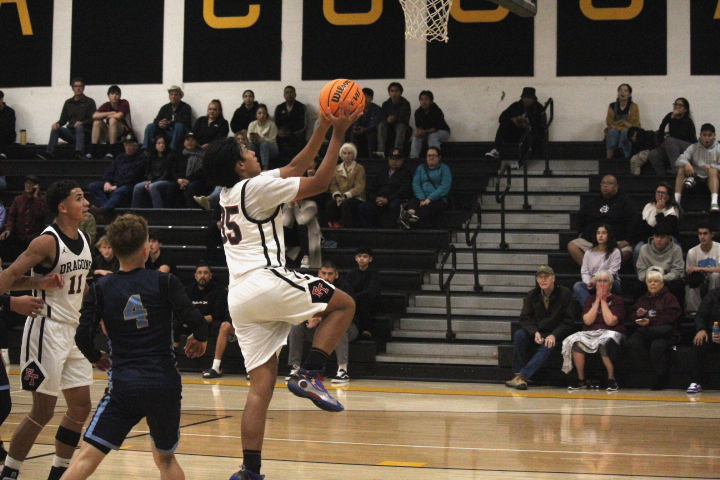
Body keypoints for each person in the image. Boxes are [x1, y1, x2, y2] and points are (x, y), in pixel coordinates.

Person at [201, 103, 359, 480]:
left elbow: (294, 167)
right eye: (247, 151)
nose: (254, 152)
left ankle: (249, 470)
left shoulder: (229, 193)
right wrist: (338, 134)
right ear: (240, 165)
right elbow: (318, 183)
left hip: (239, 297)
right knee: (344, 305)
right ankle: (311, 372)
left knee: (260, 389)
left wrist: (321, 125)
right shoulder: (255, 188)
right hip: (265, 280)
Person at [67, 213, 207, 480]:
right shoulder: (164, 281)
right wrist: (198, 339)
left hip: (125, 385)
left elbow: (82, 336)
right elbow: (197, 321)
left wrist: (96, 357)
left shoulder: (100, 288)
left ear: (114, 250)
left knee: (86, 456)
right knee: (165, 460)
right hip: (163, 382)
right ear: (145, 249)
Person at [0, 180, 93, 480]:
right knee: (43, 411)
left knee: (80, 408)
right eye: (79, 199)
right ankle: (10, 473)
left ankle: (59, 474)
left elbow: (79, 285)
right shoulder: (46, 242)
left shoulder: (84, 236)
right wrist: (37, 283)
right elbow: (8, 278)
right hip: (46, 330)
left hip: (73, 330)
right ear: (62, 207)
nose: (86, 203)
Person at [286, 261, 358, 384]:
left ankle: (342, 370)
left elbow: (347, 315)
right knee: (296, 325)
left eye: (330, 274)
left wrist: (320, 317)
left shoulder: (345, 288)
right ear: (319, 274)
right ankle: (295, 367)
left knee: (339, 328)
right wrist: (310, 317)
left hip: (348, 327)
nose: (326, 277)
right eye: (323, 273)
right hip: (318, 328)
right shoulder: (313, 287)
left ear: (336, 275)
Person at [505, 266, 575, 390]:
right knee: (519, 334)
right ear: (537, 280)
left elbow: (568, 321)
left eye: (546, 277)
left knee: (549, 344)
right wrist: (534, 332)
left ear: (553, 278)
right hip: (537, 331)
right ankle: (517, 373)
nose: (543, 280)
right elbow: (525, 318)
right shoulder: (532, 294)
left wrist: (554, 334)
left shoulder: (565, 293)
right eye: (540, 277)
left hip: (554, 333)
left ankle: (522, 377)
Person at [562, 270, 626, 392]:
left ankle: (612, 379)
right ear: (595, 284)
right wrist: (597, 301)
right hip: (592, 331)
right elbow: (587, 321)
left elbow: (610, 322)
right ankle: (581, 379)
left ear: (611, 285)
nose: (602, 284)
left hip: (611, 332)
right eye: (599, 281)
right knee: (575, 341)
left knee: (604, 342)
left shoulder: (617, 300)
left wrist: (603, 301)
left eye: (605, 281)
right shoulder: (589, 300)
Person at [627, 267, 681, 390]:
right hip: (646, 331)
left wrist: (651, 321)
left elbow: (672, 316)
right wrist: (638, 316)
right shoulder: (642, 299)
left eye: (656, 281)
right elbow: (631, 318)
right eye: (650, 281)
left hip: (664, 332)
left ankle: (661, 376)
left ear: (662, 283)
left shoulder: (669, 298)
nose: (652, 284)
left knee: (657, 346)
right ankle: (646, 374)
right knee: (631, 343)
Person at [567, 175, 636, 266]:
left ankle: (606, 275)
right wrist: (581, 233)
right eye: (603, 183)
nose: (605, 186)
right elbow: (580, 217)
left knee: (626, 252)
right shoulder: (592, 202)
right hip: (592, 241)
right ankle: (591, 271)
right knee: (572, 246)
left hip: (616, 241)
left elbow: (633, 222)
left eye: (609, 183)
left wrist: (628, 240)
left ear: (616, 186)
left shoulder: (626, 202)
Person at [177, 263, 229, 380]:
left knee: (219, 326)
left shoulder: (218, 290)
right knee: (175, 324)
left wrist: (198, 320)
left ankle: (217, 365)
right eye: (199, 273)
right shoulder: (188, 290)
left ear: (210, 275)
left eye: (205, 273)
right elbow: (181, 309)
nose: (202, 276)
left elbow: (218, 314)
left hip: (209, 324)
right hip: (192, 323)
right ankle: (173, 361)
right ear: (195, 275)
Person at [87, 134, 147, 221]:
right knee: (92, 186)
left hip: (130, 184)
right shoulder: (120, 157)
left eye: (130, 145)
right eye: (126, 145)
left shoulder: (141, 159)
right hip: (114, 183)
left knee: (119, 191)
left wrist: (117, 185)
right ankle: (106, 208)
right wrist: (107, 182)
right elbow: (109, 171)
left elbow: (133, 176)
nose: (128, 147)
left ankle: (105, 209)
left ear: (136, 146)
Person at [38, 78, 96, 160]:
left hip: (84, 134)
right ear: (73, 88)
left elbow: (93, 119)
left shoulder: (89, 102)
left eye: (80, 86)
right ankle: (49, 153)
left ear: (83, 88)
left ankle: (79, 152)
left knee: (79, 127)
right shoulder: (68, 103)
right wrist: (57, 124)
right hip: (71, 133)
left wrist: (82, 123)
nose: (78, 88)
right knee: (56, 128)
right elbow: (63, 120)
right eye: (76, 86)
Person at [358, 147, 413, 228]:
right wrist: (376, 198)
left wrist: (388, 199)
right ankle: (373, 230)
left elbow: (404, 191)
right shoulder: (382, 172)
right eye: (392, 158)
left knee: (395, 205)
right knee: (363, 207)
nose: (394, 161)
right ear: (388, 159)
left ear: (402, 160)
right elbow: (372, 189)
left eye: (397, 159)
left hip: (395, 199)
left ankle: (393, 231)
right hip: (380, 199)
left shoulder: (406, 173)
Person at [399, 146, 452, 229]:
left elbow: (445, 186)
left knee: (428, 207)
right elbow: (416, 184)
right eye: (429, 155)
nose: (431, 157)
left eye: (434, 155)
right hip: (422, 197)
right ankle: (409, 215)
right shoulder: (421, 168)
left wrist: (430, 198)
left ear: (439, 157)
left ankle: (409, 220)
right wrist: (422, 198)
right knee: (413, 201)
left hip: (439, 198)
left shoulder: (444, 168)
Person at [632, 181, 680, 269]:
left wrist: (659, 211)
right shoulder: (648, 206)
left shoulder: (672, 210)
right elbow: (642, 228)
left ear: (668, 196)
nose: (660, 195)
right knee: (638, 248)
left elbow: (665, 230)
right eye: (658, 192)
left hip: (666, 239)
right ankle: (640, 274)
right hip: (649, 238)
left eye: (663, 193)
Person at [486, 87, 544, 160]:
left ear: (533, 99)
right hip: (515, 132)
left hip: (529, 133)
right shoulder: (516, 105)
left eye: (529, 99)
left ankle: (522, 159)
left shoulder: (538, 108)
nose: (526, 101)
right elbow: (502, 117)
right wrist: (512, 119)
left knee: (530, 136)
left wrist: (528, 123)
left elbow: (540, 124)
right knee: (504, 125)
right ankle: (496, 149)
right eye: (524, 98)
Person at [0, 175, 48, 261]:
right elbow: (11, 216)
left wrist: (36, 198)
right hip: (20, 234)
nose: (28, 185)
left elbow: (41, 214)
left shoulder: (42, 199)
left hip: (35, 234)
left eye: (31, 183)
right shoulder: (18, 200)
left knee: (33, 240)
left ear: (36, 186)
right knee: (4, 238)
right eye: (26, 183)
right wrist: (8, 229)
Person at [674, 123, 720, 212]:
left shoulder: (718, 148)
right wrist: (687, 163)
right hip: (696, 176)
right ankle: (676, 202)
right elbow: (678, 161)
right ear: (700, 135)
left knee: (712, 171)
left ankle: (714, 203)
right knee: (681, 169)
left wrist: (711, 166)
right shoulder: (693, 147)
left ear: (714, 136)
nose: (706, 138)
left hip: (712, 177)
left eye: (709, 135)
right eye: (704, 135)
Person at [636, 223, 685, 306]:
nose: (658, 240)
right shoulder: (644, 249)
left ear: (669, 237)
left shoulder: (676, 249)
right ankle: (639, 314)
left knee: (677, 285)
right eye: (656, 236)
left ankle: (676, 314)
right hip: (649, 279)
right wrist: (652, 280)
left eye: (662, 237)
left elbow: (677, 271)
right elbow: (641, 271)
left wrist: (660, 279)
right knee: (638, 286)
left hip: (667, 280)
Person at [573, 224, 621, 307]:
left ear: (609, 235)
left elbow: (612, 271)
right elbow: (584, 271)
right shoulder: (589, 252)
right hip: (592, 284)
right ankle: (590, 309)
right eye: (598, 233)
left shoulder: (615, 252)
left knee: (608, 284)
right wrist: (589, 283)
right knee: (578, 286)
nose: (600, 235)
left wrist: (596, 279)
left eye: (604, 233)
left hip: (610, 283)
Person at [649, 97, 697, 173]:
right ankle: (663, 177)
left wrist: (673, 119)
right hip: (671, 145)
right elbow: (661, 129)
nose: (676, 107)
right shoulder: (669, 116)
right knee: (653, 154)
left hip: (688, 147)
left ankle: (676, 169)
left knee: (670, 140)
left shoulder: (687, 120)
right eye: (675, 104)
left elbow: (678, 135)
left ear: (685, 109)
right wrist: (661, 142)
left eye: (680, 105)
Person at [687, 285, 720, 393]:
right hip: (713, 332)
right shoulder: (713, 294)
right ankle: (696, 381)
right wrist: (701, 329)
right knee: (699, 342)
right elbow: (700, 315)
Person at [131, 135, 179, 208]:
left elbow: (167, 173)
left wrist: (152, 182)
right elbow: (149, 172)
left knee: (153, 187)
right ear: (155, 145)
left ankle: (158, 211)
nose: (161, 145)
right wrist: (149, 180)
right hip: (153, 180)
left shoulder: (170, 156)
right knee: (137, 187)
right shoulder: (152, 156)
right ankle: (133, 211)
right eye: (159, 143)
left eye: (163, 143)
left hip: (167, 180)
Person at [325, 142, 366, 228]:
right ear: (341, 155)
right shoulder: (336, 168)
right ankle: (332, 224)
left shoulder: (359, 168)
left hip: (356, 197)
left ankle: (346, 227)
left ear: (354, 155)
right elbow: (333, 185)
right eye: (344, 153)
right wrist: (337, 196)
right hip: (340, 197)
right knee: (330, 204)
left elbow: (359, 187)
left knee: (346, 204)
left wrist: (346, 196)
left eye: (349, 153)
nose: (346, 156)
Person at [142, 85, 193, 151]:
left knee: (179, 126)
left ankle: (172, 149)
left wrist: (169, 123)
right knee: (150, 126)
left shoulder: (186, 107)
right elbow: (156, 120)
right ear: (169, 96)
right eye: (171, 95)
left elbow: (185, 121)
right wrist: (159, 123)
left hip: (178, 132)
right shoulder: (165, 107)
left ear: (180, 96)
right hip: (166, 131)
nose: (173, 97)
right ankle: (145, 149)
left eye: (176, 95)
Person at [345, 246, 381, 338]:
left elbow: (372, 290)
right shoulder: (351, 274)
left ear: (370, 259)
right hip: (355, 299)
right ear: (356, 258)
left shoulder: (374, 273)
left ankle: (366, 329)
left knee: (366, 300)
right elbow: (348, 289)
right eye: (359, 256)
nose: (362, 258)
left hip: (370, 301)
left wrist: (355, 297)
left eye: (365, 256)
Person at [685, 221, 720, 314]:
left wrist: (700, 269)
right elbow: (690, 273)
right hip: (701, 282)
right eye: (700, 233)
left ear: (712, 234)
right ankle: (694, 311)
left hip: (716, 282)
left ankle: (714, 306)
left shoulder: (719, 248)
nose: (702, 237)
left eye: (705, 233)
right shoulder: (692, 252)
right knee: (692, 281)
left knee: (715, 276)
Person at [88, 85, 132, 160]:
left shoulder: (124, 102)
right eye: (112, 94)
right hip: (110, 132)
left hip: (123, 132)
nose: (114, 96)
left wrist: (104, 116)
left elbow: (119, 116)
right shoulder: (106, 105)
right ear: (108, 96)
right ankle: (93, 150)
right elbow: (94, 116)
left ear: (120, 96)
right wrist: (111, 112)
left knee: (112, 120)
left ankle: (111, 150)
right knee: (97, 122)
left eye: (117, 94)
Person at [409, 90, 450, 159]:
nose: (423, 102)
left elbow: (435, 128)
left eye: (426, 99)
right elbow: (419, 126)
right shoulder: (418, 112)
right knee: (416, 137)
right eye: (421, 99)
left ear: (431, 101)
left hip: (442, 132)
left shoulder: (437, 111)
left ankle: (434, 158)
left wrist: (424, 131)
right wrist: (418, 132)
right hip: (427, 133)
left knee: (433, 136)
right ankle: (414, 158)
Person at [173, 132, 210, 208]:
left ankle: (193, 214)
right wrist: (179, 180)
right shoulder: (179, 155)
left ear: (196, 142)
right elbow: (174, 170)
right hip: (182, 181)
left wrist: (188, 180)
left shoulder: (202, 155)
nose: (190, 142)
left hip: (198, 180)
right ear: (184, 142)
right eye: (187, 140)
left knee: (191, 187)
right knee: (171, 187)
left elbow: (202, 172)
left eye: (192, 140)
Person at [604, 83, 640, 159]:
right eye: (620, 90)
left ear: (629, 94)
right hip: (615, 130)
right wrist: (623, 123)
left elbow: (633, 124)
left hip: (628, 131)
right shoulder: (612, 106)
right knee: (612, 132)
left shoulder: (634, 107)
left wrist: (617, 125)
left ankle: (623, 154)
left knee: (625, 132)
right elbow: (609, 122)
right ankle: (609, 157)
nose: (622, 92)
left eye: (625, 91)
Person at [376, 82, 411, 157]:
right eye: (392, 91)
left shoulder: (405, 104)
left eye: (396, 91)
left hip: (402, 126)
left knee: (401, 126)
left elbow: (406, 119)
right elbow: (382, 118)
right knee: (381, 125)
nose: (394, 93)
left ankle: (397, 151)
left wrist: (395, 119)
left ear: (401, 92)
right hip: (389, 126)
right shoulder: (385, 104)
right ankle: (381, 151)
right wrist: (387, 120)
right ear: (389, 93)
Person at [274, 86, 307, 158]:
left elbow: (303, 125)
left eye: (291, 92)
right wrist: (280, 131)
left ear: (295, 95)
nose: (289, 94)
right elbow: (277, 122)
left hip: (296, 133)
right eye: (287, 93)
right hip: (283, 132)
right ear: (284, 95)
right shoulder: (279, 107)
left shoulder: (301, 107)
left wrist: (291, 132)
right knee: (276, 137)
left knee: (299, 137)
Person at [349, 87, 383, 157]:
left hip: (371, 131)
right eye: (363, 97)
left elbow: (375, 123)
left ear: (372, 98)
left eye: (368, 97)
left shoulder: (376, 109)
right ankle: (353, 155)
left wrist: (366, 129)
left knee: (371, 135)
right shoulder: (357, 108)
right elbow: (355, 120)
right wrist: (356, 128)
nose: (365, 100)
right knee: (353, 133)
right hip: (360, 130)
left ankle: (372, 157)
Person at [246, 104, 279, 170]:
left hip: (271, 149)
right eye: (259, 113)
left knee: (264, 144)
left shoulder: (271, 124)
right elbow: (247, 139)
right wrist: (251, 138)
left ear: (266, 115)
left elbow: (272, 140)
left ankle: (265, 168)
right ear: (256, 115)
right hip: (257, 147)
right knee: (250, 145)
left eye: (264, 113)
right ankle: (251, 168)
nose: (262, 115)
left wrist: (261, 138)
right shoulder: (252, 124)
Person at [0, 91, 16, 160]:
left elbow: (10, 128)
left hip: (7, 136)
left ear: (2, 99)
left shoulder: (10, 111)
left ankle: (2, 154)